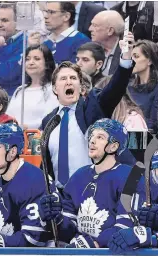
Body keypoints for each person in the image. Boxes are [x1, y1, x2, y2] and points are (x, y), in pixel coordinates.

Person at [41, 32, 135, 190]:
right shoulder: (49, 121)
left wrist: (126, 58)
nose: (69, 82)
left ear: (80, 86)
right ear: (55, 88)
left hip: (91, 189)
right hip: (59, 194)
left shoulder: (92, 107)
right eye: (63, 79)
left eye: (73, 78)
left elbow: (115, 89)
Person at [39, 118, 144, 248]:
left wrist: (95, 244)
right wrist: (55, 219)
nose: (92, 141)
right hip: (79, 252)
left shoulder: (130, 177)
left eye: (100, 137)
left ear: (113, 146)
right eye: (92, 136)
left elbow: (125, 227)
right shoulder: (78, 176)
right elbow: (69, 230)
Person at [6, 44, 58, 129]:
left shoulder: (53, 89)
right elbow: (9, 116)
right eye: (27, 59)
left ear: (47, 64)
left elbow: (50, 119)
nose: (31, 62)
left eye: (37, 59)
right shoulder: (20, 89)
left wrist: (25, 127)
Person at [128, 40, 158, 133]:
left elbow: (155, 124)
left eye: (136, 56)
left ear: (150, 61)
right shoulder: (129, 87)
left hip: (145, 138)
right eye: (131, 56)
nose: (131, 61)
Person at [89, 10, 124, 76]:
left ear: (110, 31)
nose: (90, 29)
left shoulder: (126, 54)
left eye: (95, 25)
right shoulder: (91, 49)